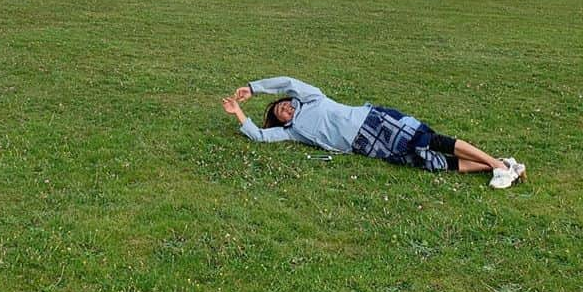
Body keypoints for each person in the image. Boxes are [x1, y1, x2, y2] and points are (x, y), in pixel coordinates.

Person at [221, 76, 525, 189]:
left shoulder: (310, 98)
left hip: (373, 121)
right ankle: (501, 165)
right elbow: (260, 137)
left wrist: (253, 88)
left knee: (430, 140)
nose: (285, 109)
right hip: (369, 147)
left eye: (284, 105)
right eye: (280, 113)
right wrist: (239, 114)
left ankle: (498, 167)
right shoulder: (293, 132)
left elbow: (287, 81)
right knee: (431, 163)